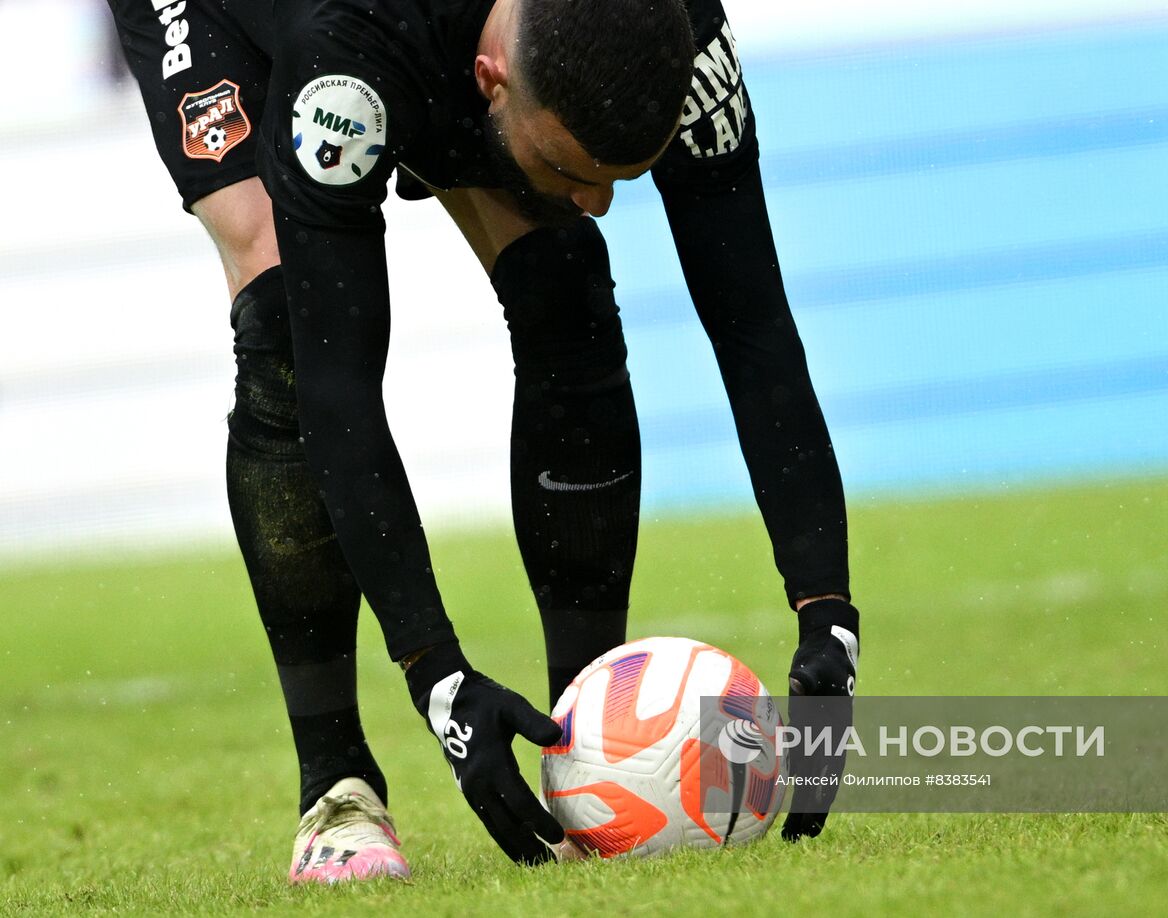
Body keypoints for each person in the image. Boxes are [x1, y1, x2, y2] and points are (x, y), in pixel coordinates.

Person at [107, 0, 860, 881]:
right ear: (491, 78)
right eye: (573, 168)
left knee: (568, 275)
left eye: (622, 177)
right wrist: (440, 675)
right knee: (279, 322)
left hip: (450, 40)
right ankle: (337, 786)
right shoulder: (351, 62)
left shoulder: (682, 30)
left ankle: (581, 742)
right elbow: (339, 391)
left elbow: (754, 326)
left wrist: (829, 614)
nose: (599, 202)